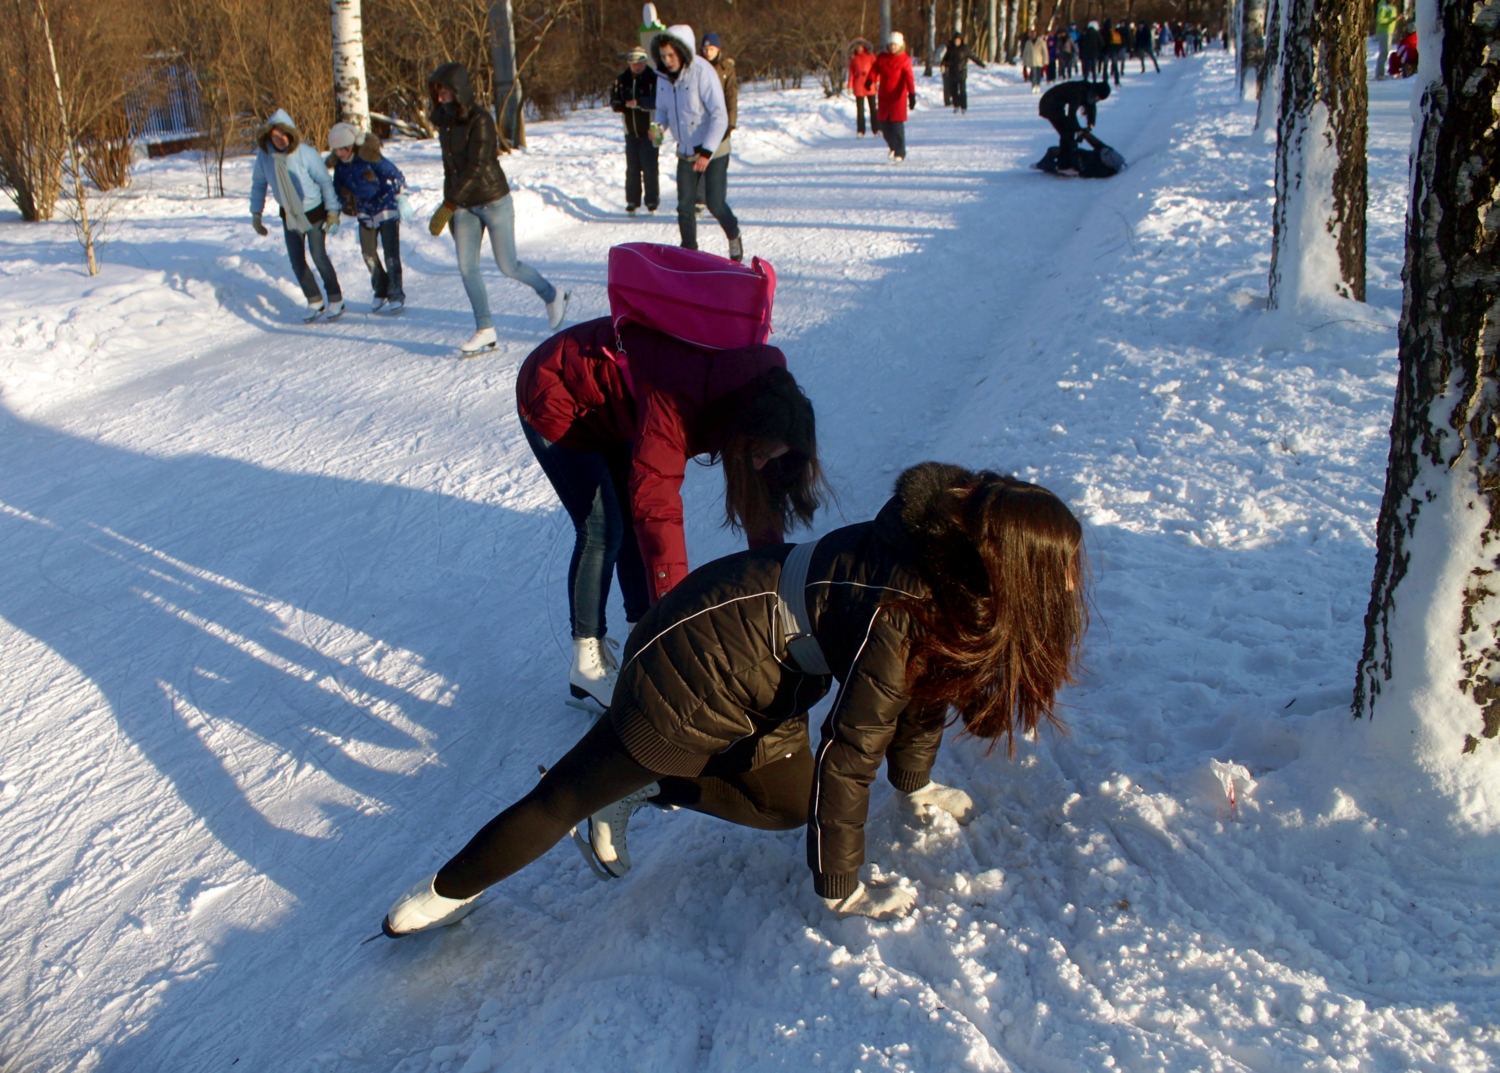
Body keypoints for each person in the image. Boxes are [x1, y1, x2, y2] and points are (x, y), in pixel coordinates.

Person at [381, 462, 1089, 936]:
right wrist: (840, 885)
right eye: (1057, 570)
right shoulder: (901, 605)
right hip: (696, 667)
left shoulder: (948, 581)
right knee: (565, 794)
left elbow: (923, 695)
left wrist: (916, 786)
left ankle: (635, 789)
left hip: (767, 670)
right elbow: (852, 747)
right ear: (1013, 565)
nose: (1067, 585)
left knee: (789, 804)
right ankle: (448, 889)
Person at [511, 315, 824, 706]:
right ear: (744, 428)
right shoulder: (678, 402)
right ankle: (586, 664)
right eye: (758, 454)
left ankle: (640, 635)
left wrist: (775, 581)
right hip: (556, 390)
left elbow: (757, 495)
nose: (758, 464)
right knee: (604, 529)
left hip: (617, 405)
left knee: (625, 521)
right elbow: (658, 512)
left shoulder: (761, 397)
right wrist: (676, 623)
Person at [428, 64, 567, 355]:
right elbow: (450, 168)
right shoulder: (444, 120)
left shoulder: (480, 119)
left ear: (458, 92)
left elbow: (477, 167)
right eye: (437, 94)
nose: (440, 99)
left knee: (508, 265)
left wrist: (448, 203)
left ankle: (553, 295)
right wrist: (451, 204)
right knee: (467, 268)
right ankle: (485, 329)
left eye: (445, 93)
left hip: (492, 200)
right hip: (463, 206)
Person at [652, 25, 742, 262]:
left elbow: (720, 115)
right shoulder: (662, 77)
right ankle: (689, 254)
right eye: (663, 56)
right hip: (685, 151)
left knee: (714, 203)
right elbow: (662, 110)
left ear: (682, 51)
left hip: (714, 149)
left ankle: (733, 233)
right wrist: (659, 127)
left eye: (671, 55)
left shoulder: (703, 71)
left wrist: (706, 152)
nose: (667, 60)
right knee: (684, 206)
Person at [249, 109, 343, 323]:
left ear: (291, 134)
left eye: (284, 134)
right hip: (289, 214)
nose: (280, 139)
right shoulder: (265, 158)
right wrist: (256, 214)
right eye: (275, 136)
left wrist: (333, 213)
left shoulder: (306, 154)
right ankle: (314, 299)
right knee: (296, 260)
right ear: (268, 137)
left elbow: (325, 183)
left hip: (314, 213)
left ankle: (336, 298)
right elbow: (259, 184)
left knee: (318, 255)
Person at [326, 123, 410, 315]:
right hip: (365, 211)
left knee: (391, 255)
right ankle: (381, 288)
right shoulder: (340, 167)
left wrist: (402, 198)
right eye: (336, 150)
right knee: (368, 253)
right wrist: (334, 214)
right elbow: (339, 191)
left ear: (352, 145)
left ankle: (396, 293)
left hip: (386, 208)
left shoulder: (370, 158)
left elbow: (395, 176)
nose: (340, 153)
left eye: (343, 148)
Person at [611, 47, 660, 214]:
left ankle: (652, 202)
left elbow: (658, 101)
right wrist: (622, 105)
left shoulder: (653, 78)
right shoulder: (622, 79)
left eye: (639, 63)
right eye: (633, 64)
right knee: (632, 168)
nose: (636, 67)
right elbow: (614, 101)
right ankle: (632, 201)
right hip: (630, 131)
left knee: (650, 167)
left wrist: (639, 102)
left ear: (645, 62)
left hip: (650, 130)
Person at [695, 33, 737, 216]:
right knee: (701, 159)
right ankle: (699, 200)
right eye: (705, 49)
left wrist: (730, 123)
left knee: (718, 163)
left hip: (720, 122)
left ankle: (717, 200)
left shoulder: (725, 68)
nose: (708, 52)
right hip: (701, 123)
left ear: (718, 49)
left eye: (711, 49)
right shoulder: (696, 66)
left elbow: (731, 97)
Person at [1039, 79, 1110, 165]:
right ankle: (1063, 164)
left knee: (1069, 132)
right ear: (1096, 93)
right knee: (1067, 132)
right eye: (1099, 97)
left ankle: (1064, 157)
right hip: (1048, 104)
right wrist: (1078, 130)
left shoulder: (1089, 91)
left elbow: (1091, 106)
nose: (1098, 100)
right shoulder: (1078, 91)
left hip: (1057, 105)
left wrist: (1091, 124)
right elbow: (1071, 114)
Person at [871, 31, 917, 162]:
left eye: (895, 45)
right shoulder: (882, 57)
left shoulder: (905, 59)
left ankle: (900, 152)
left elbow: (909, 77)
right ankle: (893, 146)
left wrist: (912, 94)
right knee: (883, 125)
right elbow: (874, 70)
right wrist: (870, 79)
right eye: (891, 45)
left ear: (900, 46)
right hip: (884, 96)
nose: (893, 47)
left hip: (898, 97)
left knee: (896, 126)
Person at [941, 32, 985, 113]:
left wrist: (982, 64)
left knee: (962, 90)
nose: (957, 42)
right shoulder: (950, 49)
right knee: (953, 91)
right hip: (952, 72)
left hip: (961, 72)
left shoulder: (964, 49)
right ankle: (956, 105)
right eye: (955, 40)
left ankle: (964, 106)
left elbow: (973, 57)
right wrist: (943, 65)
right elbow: (945, 59)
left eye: (958, 40)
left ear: (961, 40)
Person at [848, 40, 879, 136]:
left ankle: (876, 129)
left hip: (869, 83)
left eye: (860, 45)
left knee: (873, 108)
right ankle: (860, 130)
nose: (859, 48)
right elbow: (851, 73)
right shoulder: (853, 58)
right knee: (860, 109)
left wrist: (877, 81)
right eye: (857, 46)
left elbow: (876, 68)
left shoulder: (871, 56)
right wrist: (850, 85)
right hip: (858, 84)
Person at [1374, 0, 1398, 79]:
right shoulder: (1383, 6)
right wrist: (1392, 20)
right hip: (1384, 32)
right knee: (1384, 52)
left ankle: (1380, 73)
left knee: (1386, 51)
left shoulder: (1391, 6)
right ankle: (1379, 74)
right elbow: (1380, 19)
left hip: (1389, 31)